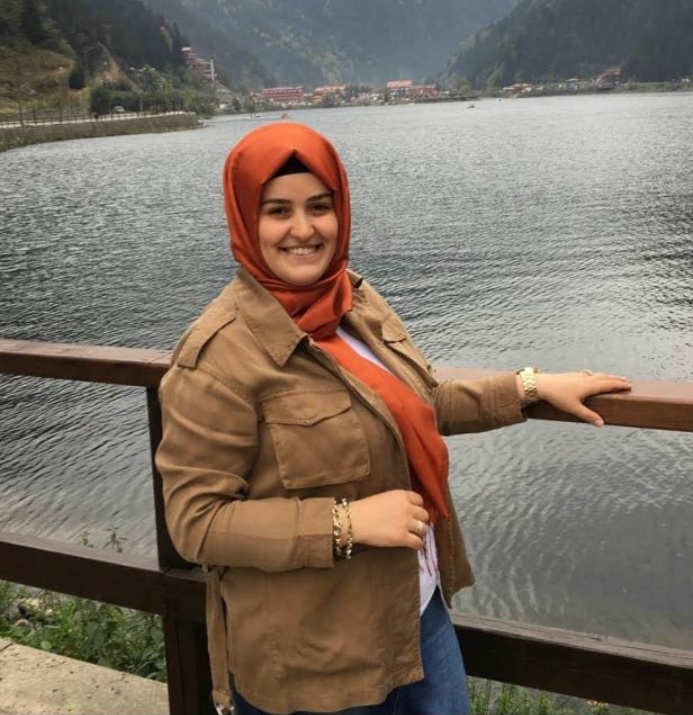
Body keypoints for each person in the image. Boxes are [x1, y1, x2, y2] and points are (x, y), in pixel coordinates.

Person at [155, 122, 631, 715]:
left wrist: (530, 387)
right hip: (314, 664)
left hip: (415, 618)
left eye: (319, 206)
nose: (304, 229)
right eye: (278, 211)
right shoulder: (217, 357)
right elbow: (196, 523)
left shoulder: (353, 302)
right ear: (246, 221)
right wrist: (345, 523)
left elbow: (419, 404)